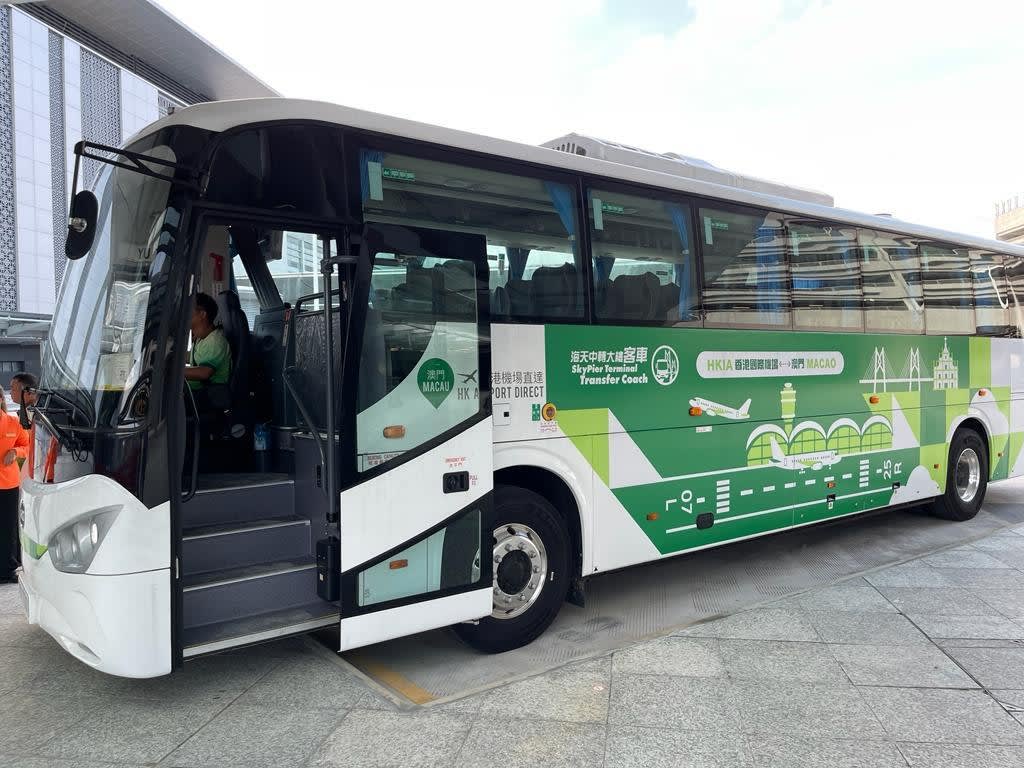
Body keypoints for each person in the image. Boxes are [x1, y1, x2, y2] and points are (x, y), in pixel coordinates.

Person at [184, 293, 232, 413]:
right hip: (198, 393)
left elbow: (204, 373)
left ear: (202, 314)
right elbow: (191, 358)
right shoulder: (201, 338)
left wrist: (173, 372)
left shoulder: (215, 341)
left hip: (207, 396)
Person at [0, 386, 28, 582]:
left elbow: (26, 445)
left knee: (8, 527)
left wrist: (16, 452)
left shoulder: (13, 422)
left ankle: (7, 569)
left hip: (8, 483)